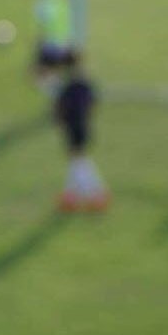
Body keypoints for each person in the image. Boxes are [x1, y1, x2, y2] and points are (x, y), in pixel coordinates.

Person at [55, 50, 109, 213]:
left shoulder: (69, 86)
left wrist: (61, 119)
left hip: (74, 127)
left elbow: (62, 109)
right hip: (84, 125)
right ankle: (71, 196)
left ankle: (96, 194)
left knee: (79, 162)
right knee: (77, 160)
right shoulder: (84, 83)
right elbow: (93, 101)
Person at [33, 0, 74, 97]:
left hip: (50, 43)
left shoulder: (43, 3)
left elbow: (44, 22)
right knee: (56, 70)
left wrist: (39, 40)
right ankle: (58, 91)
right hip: (64, 42)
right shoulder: (61, 1)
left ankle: (55, 94)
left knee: (40, 73)